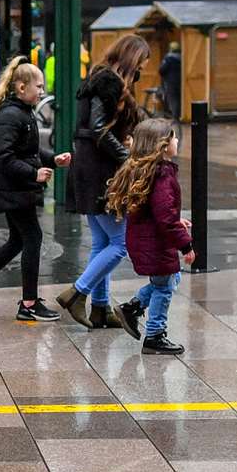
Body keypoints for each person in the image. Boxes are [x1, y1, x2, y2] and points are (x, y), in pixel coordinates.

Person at [0, 60, 72, 321]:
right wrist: (34, 173)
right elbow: (4, 157)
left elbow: (29, 151)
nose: (42, 91)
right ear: (21, 87)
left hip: (18, 189)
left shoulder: (22, 111)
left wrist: (53, 160)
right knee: (32, 238)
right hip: (13, 189)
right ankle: (28, 304)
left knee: (18, 240)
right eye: (39, 86)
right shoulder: (11, 116)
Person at [57, 35, 147, 329]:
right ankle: (77, 293)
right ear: (131, 58)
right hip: (100, 170)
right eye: (140, 65)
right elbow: (97, 128)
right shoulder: (109, 82)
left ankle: (99, 308)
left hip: (89, 166)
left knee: (103, 241)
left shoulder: (98, 78)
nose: (141, 72)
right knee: (120, 243)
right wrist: (127, 157)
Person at [110, 119, 196, 354]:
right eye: (174, 137)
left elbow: (157, 212)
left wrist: (176, 222)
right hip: (155, 243)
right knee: (165, 286)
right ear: (163, 145)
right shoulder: (162, 176)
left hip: (147, 239)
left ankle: (132, 307)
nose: (177, 141)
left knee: (166, 281)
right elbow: (164, 217)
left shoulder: (148, 171)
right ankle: (155, 335)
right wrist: (186, 244)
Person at [158, 41, 182, 122]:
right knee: (179, 99)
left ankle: (175, 117)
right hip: (181, 82)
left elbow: (162, 70)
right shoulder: (183, 57)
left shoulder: (168, 58)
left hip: (170, 82)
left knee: (172, 99)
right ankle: (179, 115)